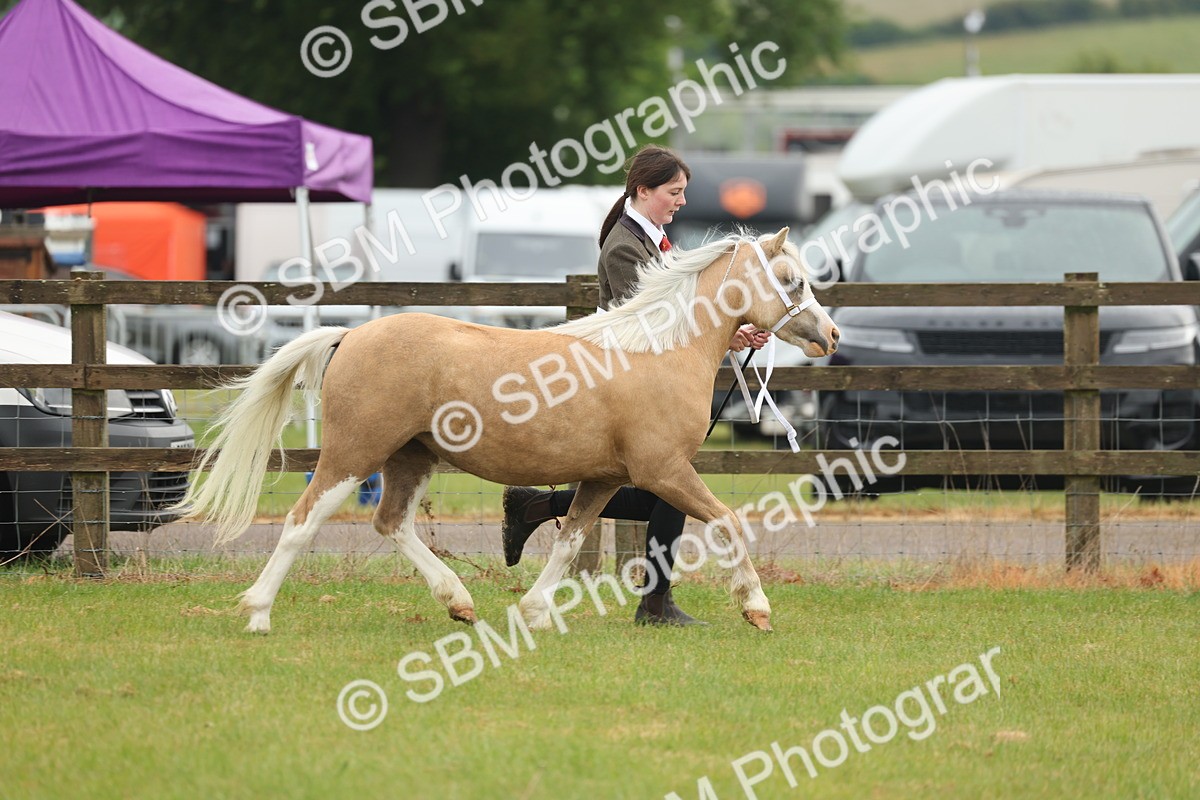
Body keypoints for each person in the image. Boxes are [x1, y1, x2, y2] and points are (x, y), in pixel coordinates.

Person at [501, 144, 769, 627]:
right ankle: (653, 602)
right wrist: (727, 335)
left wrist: (732, 334)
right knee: (667, 490)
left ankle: (545, 509)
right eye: (674, 192)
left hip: (641, 383)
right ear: (644, 190)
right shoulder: (627, 247)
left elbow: (679, 317)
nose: (681, 201)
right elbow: (647, 325)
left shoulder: (654, 240)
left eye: (683, 192)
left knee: (664, 491)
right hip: (623, 383)